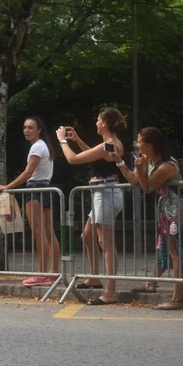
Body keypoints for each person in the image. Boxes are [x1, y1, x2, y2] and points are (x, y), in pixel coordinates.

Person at [112, 127, 183, 309]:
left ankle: (178, 298)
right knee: (166, 249)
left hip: (177, 210)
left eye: (139, 141)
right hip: (166, 209)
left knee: (177, 252)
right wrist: (119, 161)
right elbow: (133, 180)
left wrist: (140, 170)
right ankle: (152, 283)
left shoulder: (167, 165)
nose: (136, 144)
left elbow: (147, 187)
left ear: (149, 145)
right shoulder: (148, 160)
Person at [57, 108, 126, 305]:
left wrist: (62, 141)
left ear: (104, 123)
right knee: (87, 235)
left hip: (106, 193)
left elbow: (73, 159)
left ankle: (110, 291)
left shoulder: (108, 144)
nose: (96, 122)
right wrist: (78, 141)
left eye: (98, 119)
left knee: (106, 242)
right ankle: (95, 277)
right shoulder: (110, 144)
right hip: (102, 193)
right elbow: (96, 157)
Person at [0, 117, 61, 287]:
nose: (26, 130)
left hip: (35, 188)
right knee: (48, 232)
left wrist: (7, 186)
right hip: (45, 187)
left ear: (39, 129)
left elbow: (28, 172)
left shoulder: (37, 146)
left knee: (39, 233)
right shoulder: (44, 145)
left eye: (30, 127)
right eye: (25, 127)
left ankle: (41, 274)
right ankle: (53, 272)